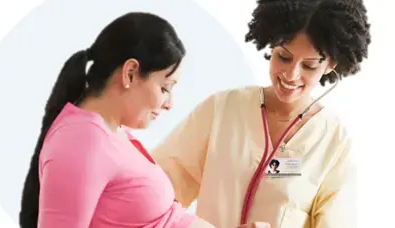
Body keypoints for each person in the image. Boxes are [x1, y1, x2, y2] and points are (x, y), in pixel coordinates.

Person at [151, 0, 371, 227]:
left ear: (330, 65)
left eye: (309, 66)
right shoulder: (223, 109)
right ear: (271, 45)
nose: (291, 75)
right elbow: (152, 191)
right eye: (283, 57)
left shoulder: (333, 141)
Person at [18, 12, 222, 228]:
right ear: (131, 73)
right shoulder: (81, 142)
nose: (169, 103)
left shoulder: (107, 131)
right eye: (165, 88)